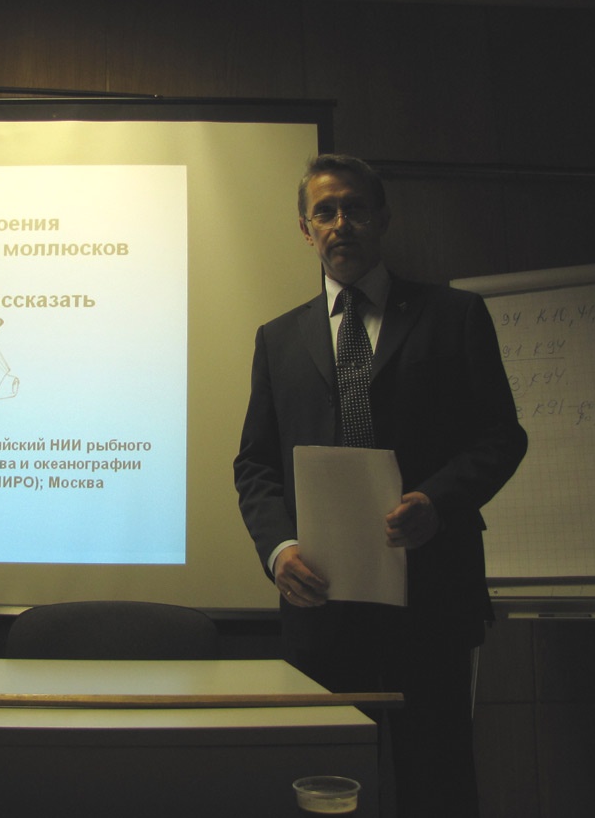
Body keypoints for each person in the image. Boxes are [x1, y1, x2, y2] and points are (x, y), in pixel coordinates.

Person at [234, 154, 527, 818]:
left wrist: (437, 502)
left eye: (355, 208)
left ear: (382, 219)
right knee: (326, 787)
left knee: (438, 785)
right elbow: (255, 466)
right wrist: (278, 550)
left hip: (431, 597)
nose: (341, 223)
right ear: (306, 229)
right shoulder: (277, 340)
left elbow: (502, 437)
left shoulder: (454, 315)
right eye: (325, 212)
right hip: (321, 606)